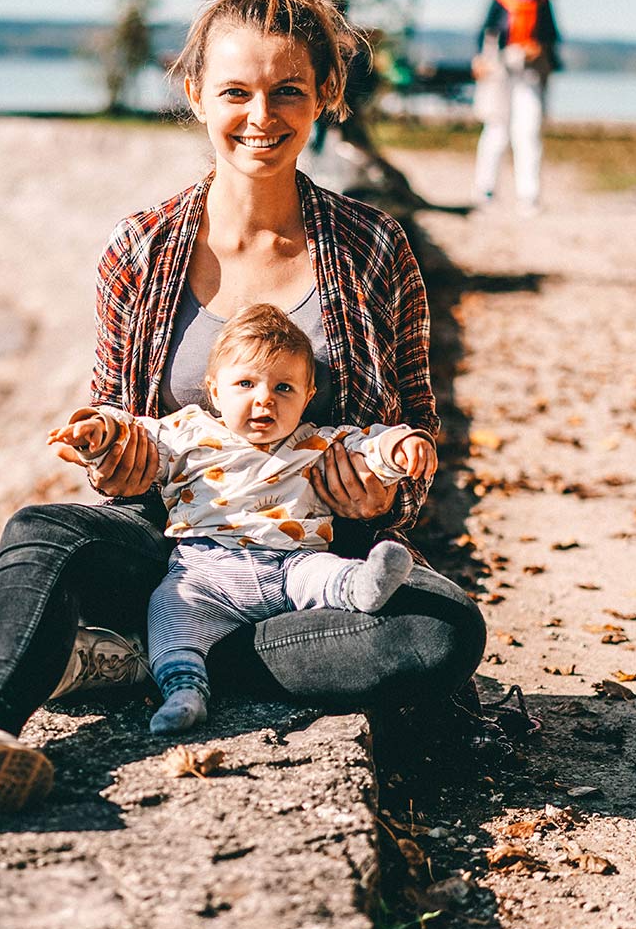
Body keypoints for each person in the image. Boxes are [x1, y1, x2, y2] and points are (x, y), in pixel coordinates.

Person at [0, 0, 488, 813]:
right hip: (170, 551)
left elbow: (417, 431)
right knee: (39, 529)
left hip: (314, 562)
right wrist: (112, 453)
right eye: (237, 91)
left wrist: (381, 490)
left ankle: (152, 657)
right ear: (198, 94)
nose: (261, 116)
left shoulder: (372, 249)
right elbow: (115, 413)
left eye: (289, 91)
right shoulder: (140, 247)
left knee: (443, 630)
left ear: (327, 95)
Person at [49, 301, 437, 735]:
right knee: (171, 611)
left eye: (284, 389)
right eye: (246, 383)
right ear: (214, 391)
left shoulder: (319, 442)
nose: (264, 399)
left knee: (327, 575)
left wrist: (403, 449)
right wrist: (96, 435)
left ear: (309, 396)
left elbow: (374, 446)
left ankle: (362, 587)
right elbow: (134, 436)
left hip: (293, 563)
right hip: (204, 570)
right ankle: (184, 691)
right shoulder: (190, 434)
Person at [472, 0, 561, 213]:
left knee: (528, 131)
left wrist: (540, 48)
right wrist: (481, 60)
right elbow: (485, 33)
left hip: (531, 72)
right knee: (497, 129)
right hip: (501, 70)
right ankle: (485, 189)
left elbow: (551, 36)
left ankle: (528, 195)